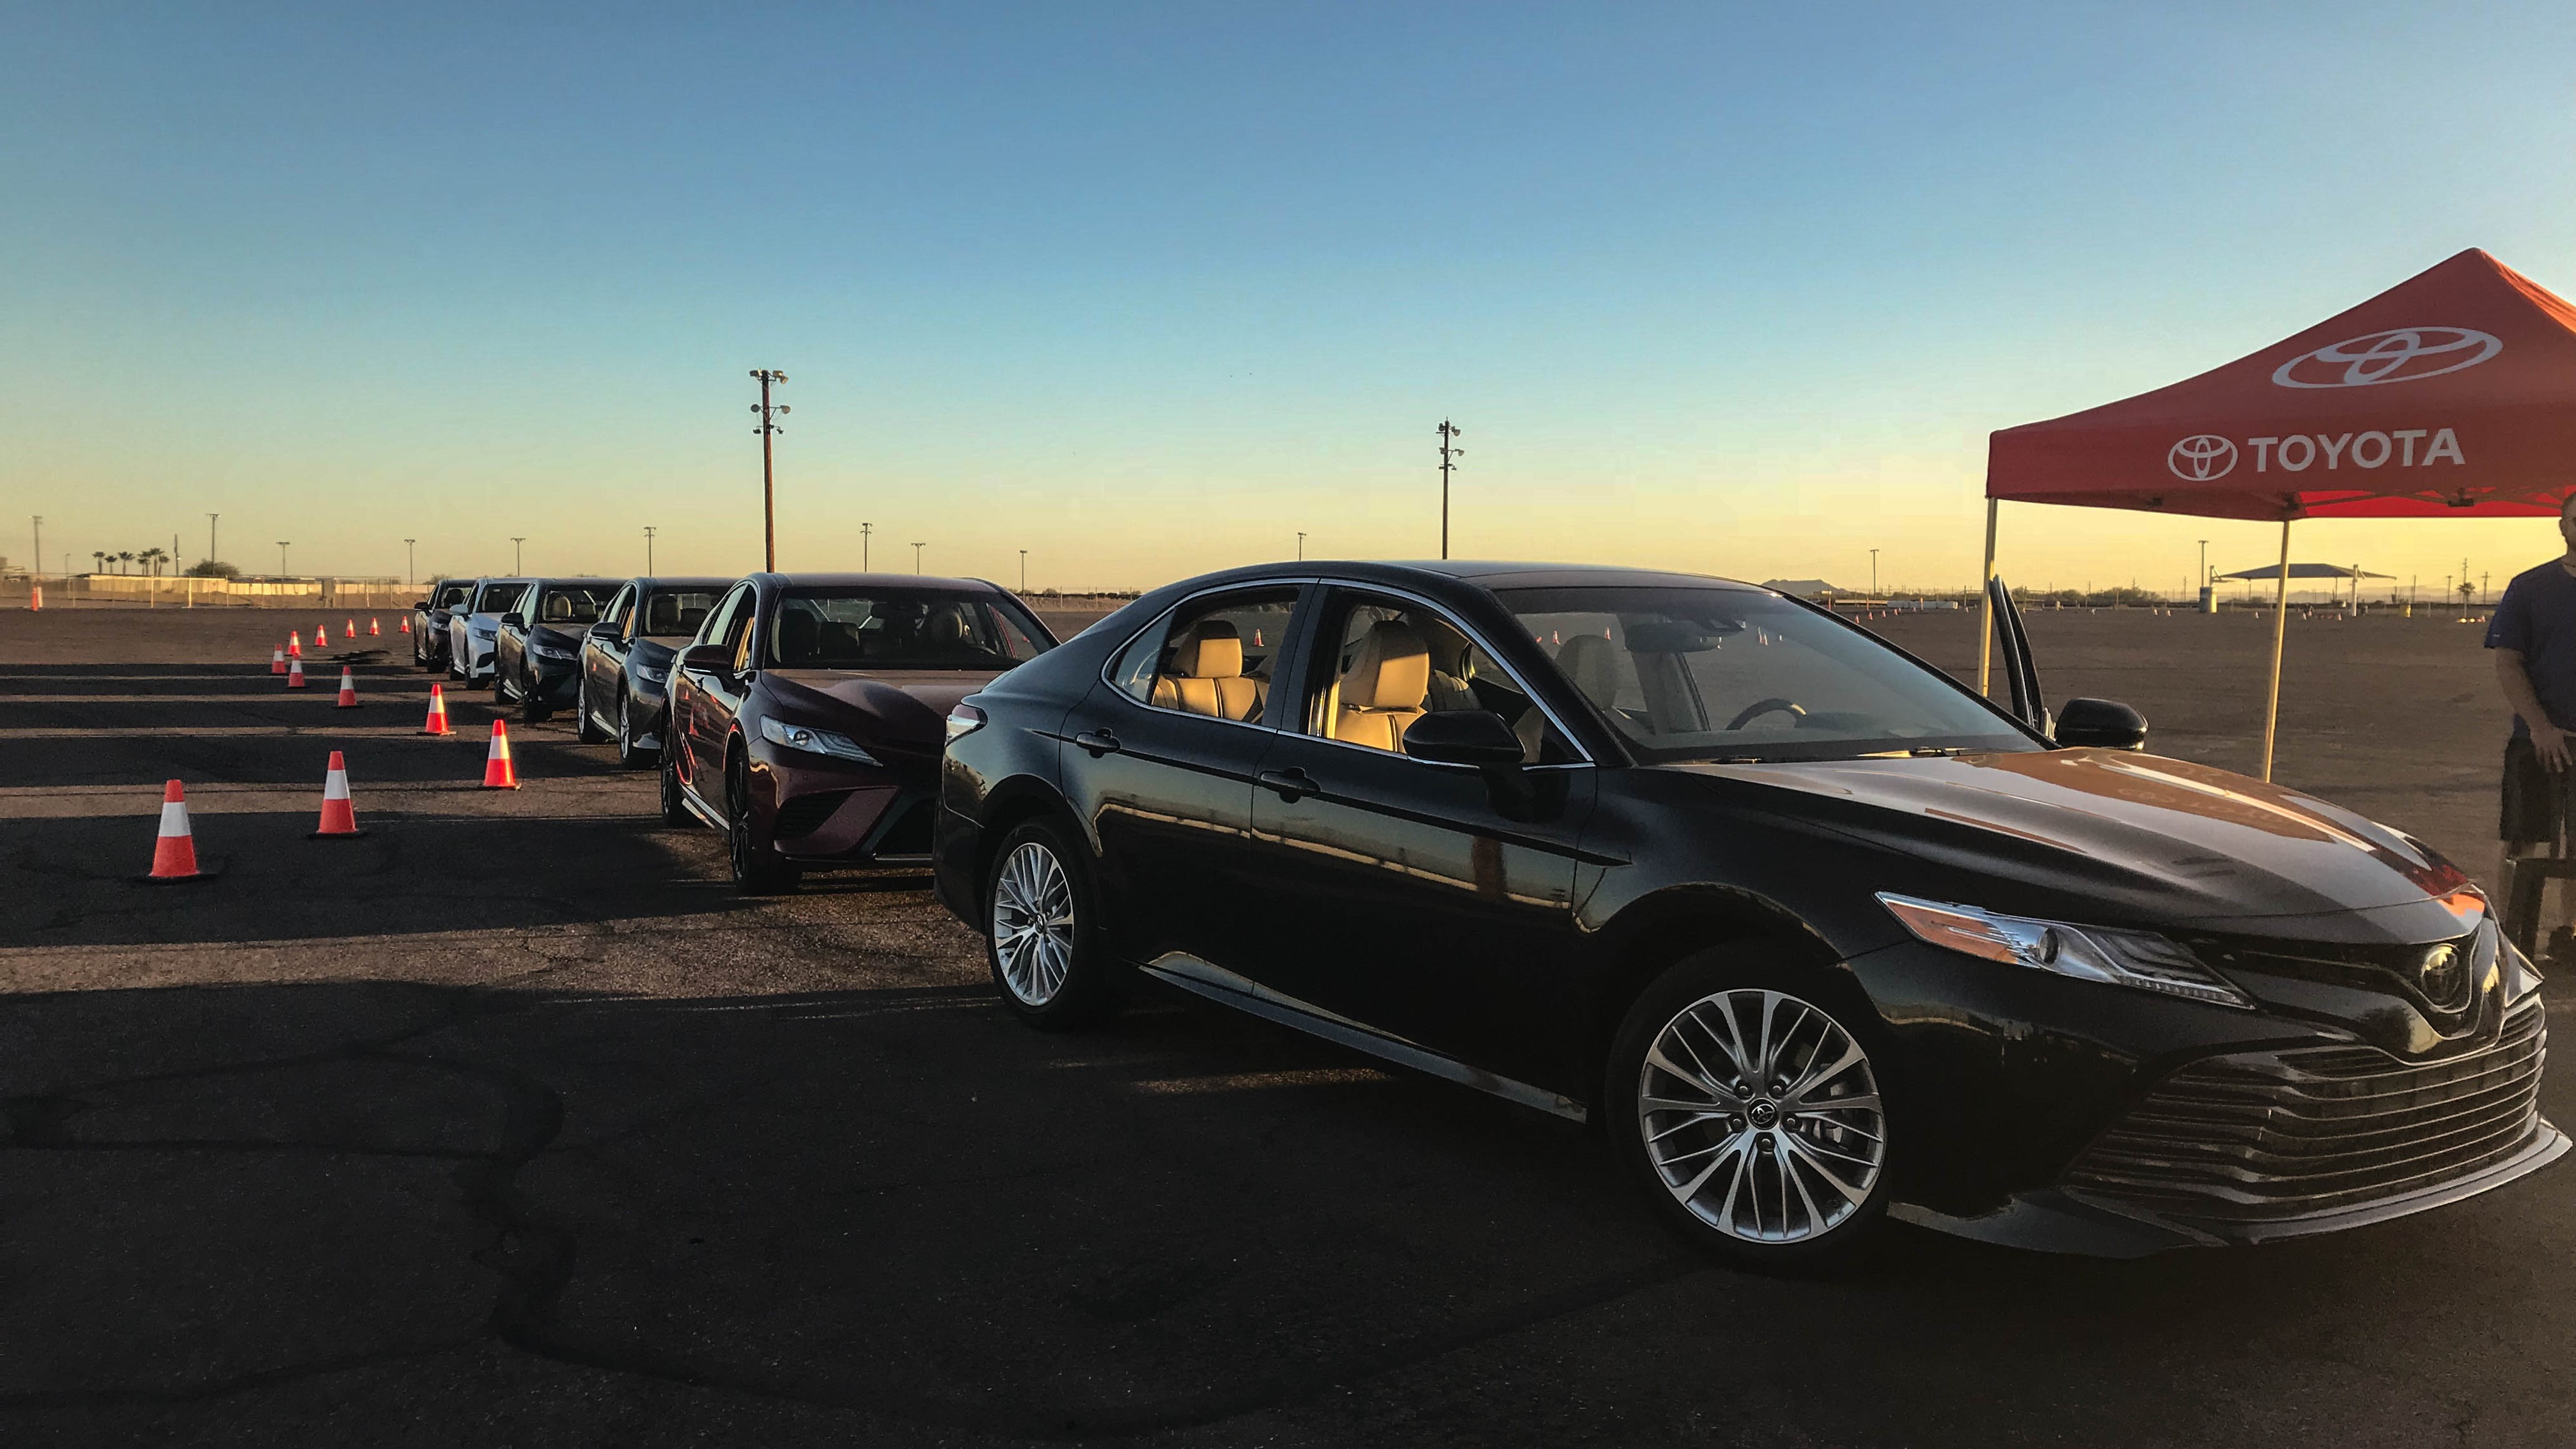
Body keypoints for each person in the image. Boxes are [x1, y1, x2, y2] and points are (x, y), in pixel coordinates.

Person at [2486, 491, 2576, 962]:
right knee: (2524, 839)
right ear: (2563, 526)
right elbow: (2508, 663)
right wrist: (2541, 727)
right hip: (2537, 741)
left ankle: (2568, 932)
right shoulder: (2529, 588)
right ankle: (2510, 932)